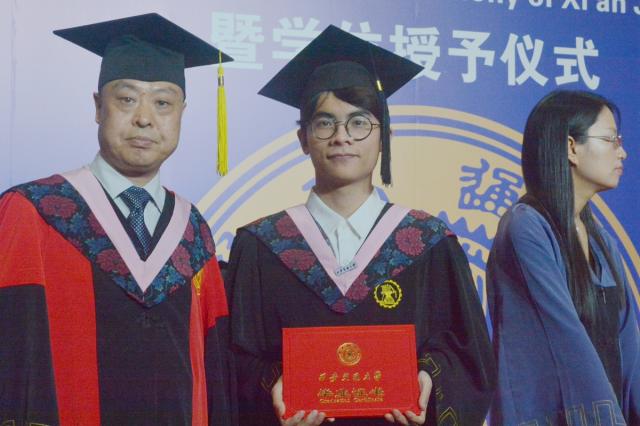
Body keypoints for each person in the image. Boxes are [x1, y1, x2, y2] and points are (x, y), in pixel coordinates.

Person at [226, 25, 496, 426]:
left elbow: (470, 356)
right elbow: (231, 362)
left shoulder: (429, 244)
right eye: (324, 123)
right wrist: (273, 387)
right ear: (303, 139)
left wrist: (429, 379)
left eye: (359, 122)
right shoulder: (261, 246)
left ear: (383, 135)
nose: (342, 137)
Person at [0, 13, 235, 425]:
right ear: (97, 107)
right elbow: (12, 358)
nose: (145, 118)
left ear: (181, 113)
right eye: (127, 99)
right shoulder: (35, 211)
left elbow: (215, 369)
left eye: (163, 103)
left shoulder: (192, 230)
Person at [487, 90, 639, 425]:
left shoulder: (602, 242)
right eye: (610, 140)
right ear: (571, 147)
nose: (622, 152)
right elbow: (566, 342)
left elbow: (628, 346)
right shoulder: (526, 227)